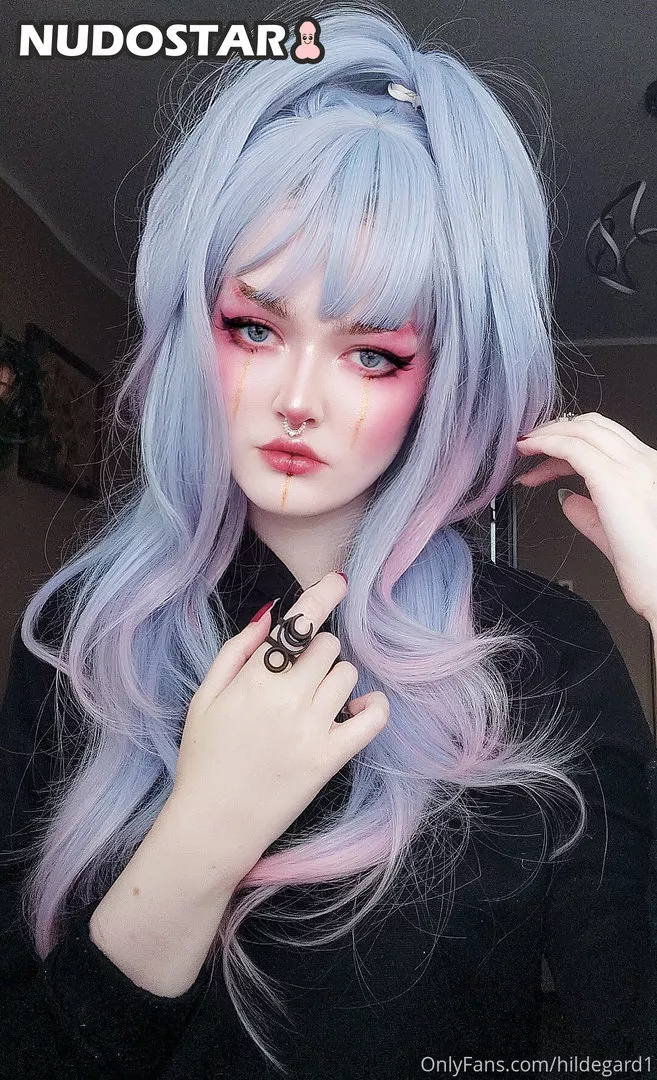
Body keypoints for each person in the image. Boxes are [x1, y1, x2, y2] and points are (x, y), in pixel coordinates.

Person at [1, 6, 657, 1078]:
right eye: (254, 328)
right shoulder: (85, 638)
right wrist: (204, 836)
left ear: (441, 379)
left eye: (372, 353)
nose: (297, 398)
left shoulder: (551, 655)